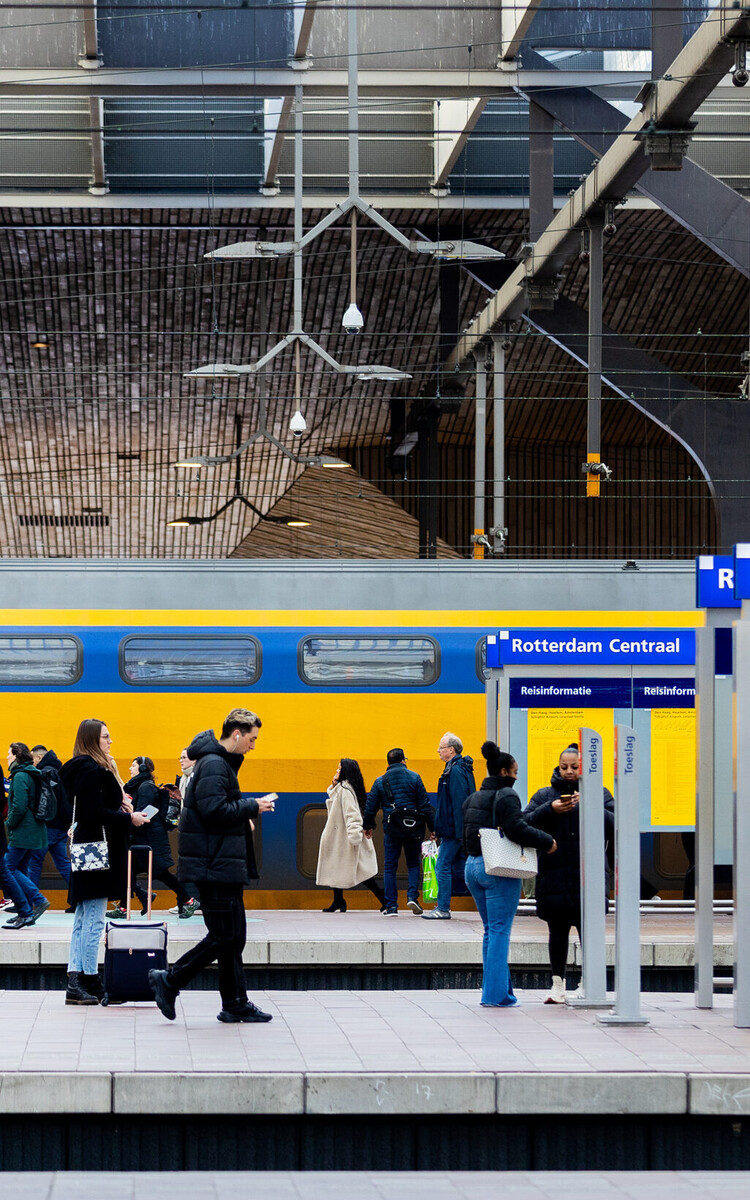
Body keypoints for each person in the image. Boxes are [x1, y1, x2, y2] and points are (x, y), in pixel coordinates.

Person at [148, 708, 276, 1024]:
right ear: (237, 733)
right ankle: (170, 979)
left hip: (220, 864)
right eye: (252, 738)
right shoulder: (215, 765)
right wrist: (252, 806)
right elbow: (213, 810)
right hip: (213, 865)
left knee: (235, 936)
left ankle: (234, 1003)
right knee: (224, 937)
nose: (253, 745)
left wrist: (245, 811)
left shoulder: (218, 764)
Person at [60, 718, 151, 1005]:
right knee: (95, 919)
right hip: (99, 853)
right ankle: (89, 979)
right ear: (91, 740)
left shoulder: (79, 768)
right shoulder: (91, 771)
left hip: (87, 850)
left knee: (83, 917)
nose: (110, 741)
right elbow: (94, 813)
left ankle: (77, 981)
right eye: (105, 737)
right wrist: (129, 817)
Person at [463, 741, 556, 1008]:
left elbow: (465, 833)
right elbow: (516, 829)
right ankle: (495, 996)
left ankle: (502, 991)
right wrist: (546, 841)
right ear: (504, 772)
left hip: (473, 866)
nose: (517, 776)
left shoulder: (473, 797)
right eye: (515, 771)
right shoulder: (506, 796)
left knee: (490, 931)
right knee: (500, 930)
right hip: (498, 869)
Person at [525, 744, 614, 1004]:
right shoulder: (544, 795)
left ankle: (590, 983)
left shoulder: (599, 793)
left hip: (590, 878)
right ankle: (557, 984)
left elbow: (617, 822)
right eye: (564, 767)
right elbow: (524, 822)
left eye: (574, 767)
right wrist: (550, 809)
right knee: (557, 932)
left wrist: (589, 806)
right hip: (555, 877)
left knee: (590, 933)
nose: (569, 771)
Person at [109, 757, 198, 919]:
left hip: (151, 839)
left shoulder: (146, 787)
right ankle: (125, 906)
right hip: (143, 838)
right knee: (129, 871)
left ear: (143, 768)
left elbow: (142, 813)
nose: (130, 768)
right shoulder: (141, 786)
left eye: (133, 765)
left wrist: (129, 813)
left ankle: (188, 900)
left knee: (161, 873)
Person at [363, 748, 434, 916]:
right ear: (403, 760)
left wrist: (368, 826)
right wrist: (433, 828)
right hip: (414, 828)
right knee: (413, 864)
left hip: (392, 828)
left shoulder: (380, 781)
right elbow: (425, 805)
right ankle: (412, 897)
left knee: (390, 867)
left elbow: (370, 807)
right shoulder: (415, 777)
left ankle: (392, 906)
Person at [316, 758, 385, 912]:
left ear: (345, 771)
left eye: (339, 769)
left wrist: (354, 836)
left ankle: (384, 899)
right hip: (339, 837)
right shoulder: (343, 788)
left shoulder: (345, 790)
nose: (336, 771)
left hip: (345, 838)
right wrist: (333, 785)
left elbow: (352, 815)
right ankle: (338, 900)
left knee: (361, 872)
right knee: (336, 867)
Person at [422, 732, 475, 920]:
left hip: (454, 831)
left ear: (450, 750)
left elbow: (458, 802)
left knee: (442, 866)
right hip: (454, 829)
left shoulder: (455, 771)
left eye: (441, 747)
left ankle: (443, 908)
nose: (438, 751)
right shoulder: (459, 768)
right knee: (462, 868)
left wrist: (460, 833)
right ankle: (486, 896)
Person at [2, 743, 51, 930]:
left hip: (24, 830)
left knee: (7, 867)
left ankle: (37, 900)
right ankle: (26, 912)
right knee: (20, 868)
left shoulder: (20, 776)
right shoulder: (31, 773)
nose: (6, 757)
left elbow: (19, 805)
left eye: (8, 753)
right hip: (34, 829)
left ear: (15, 755)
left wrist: (9, 823)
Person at [27, 745, 72, 892]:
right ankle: (78, 898)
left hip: (48, 826)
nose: (31, 761)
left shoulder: (45, 773)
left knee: (34, 862)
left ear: (39, 758)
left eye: (32, 758)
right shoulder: (60, 772)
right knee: (63, 863)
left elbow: (44, 803)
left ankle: (30, 900)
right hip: (61, 826)